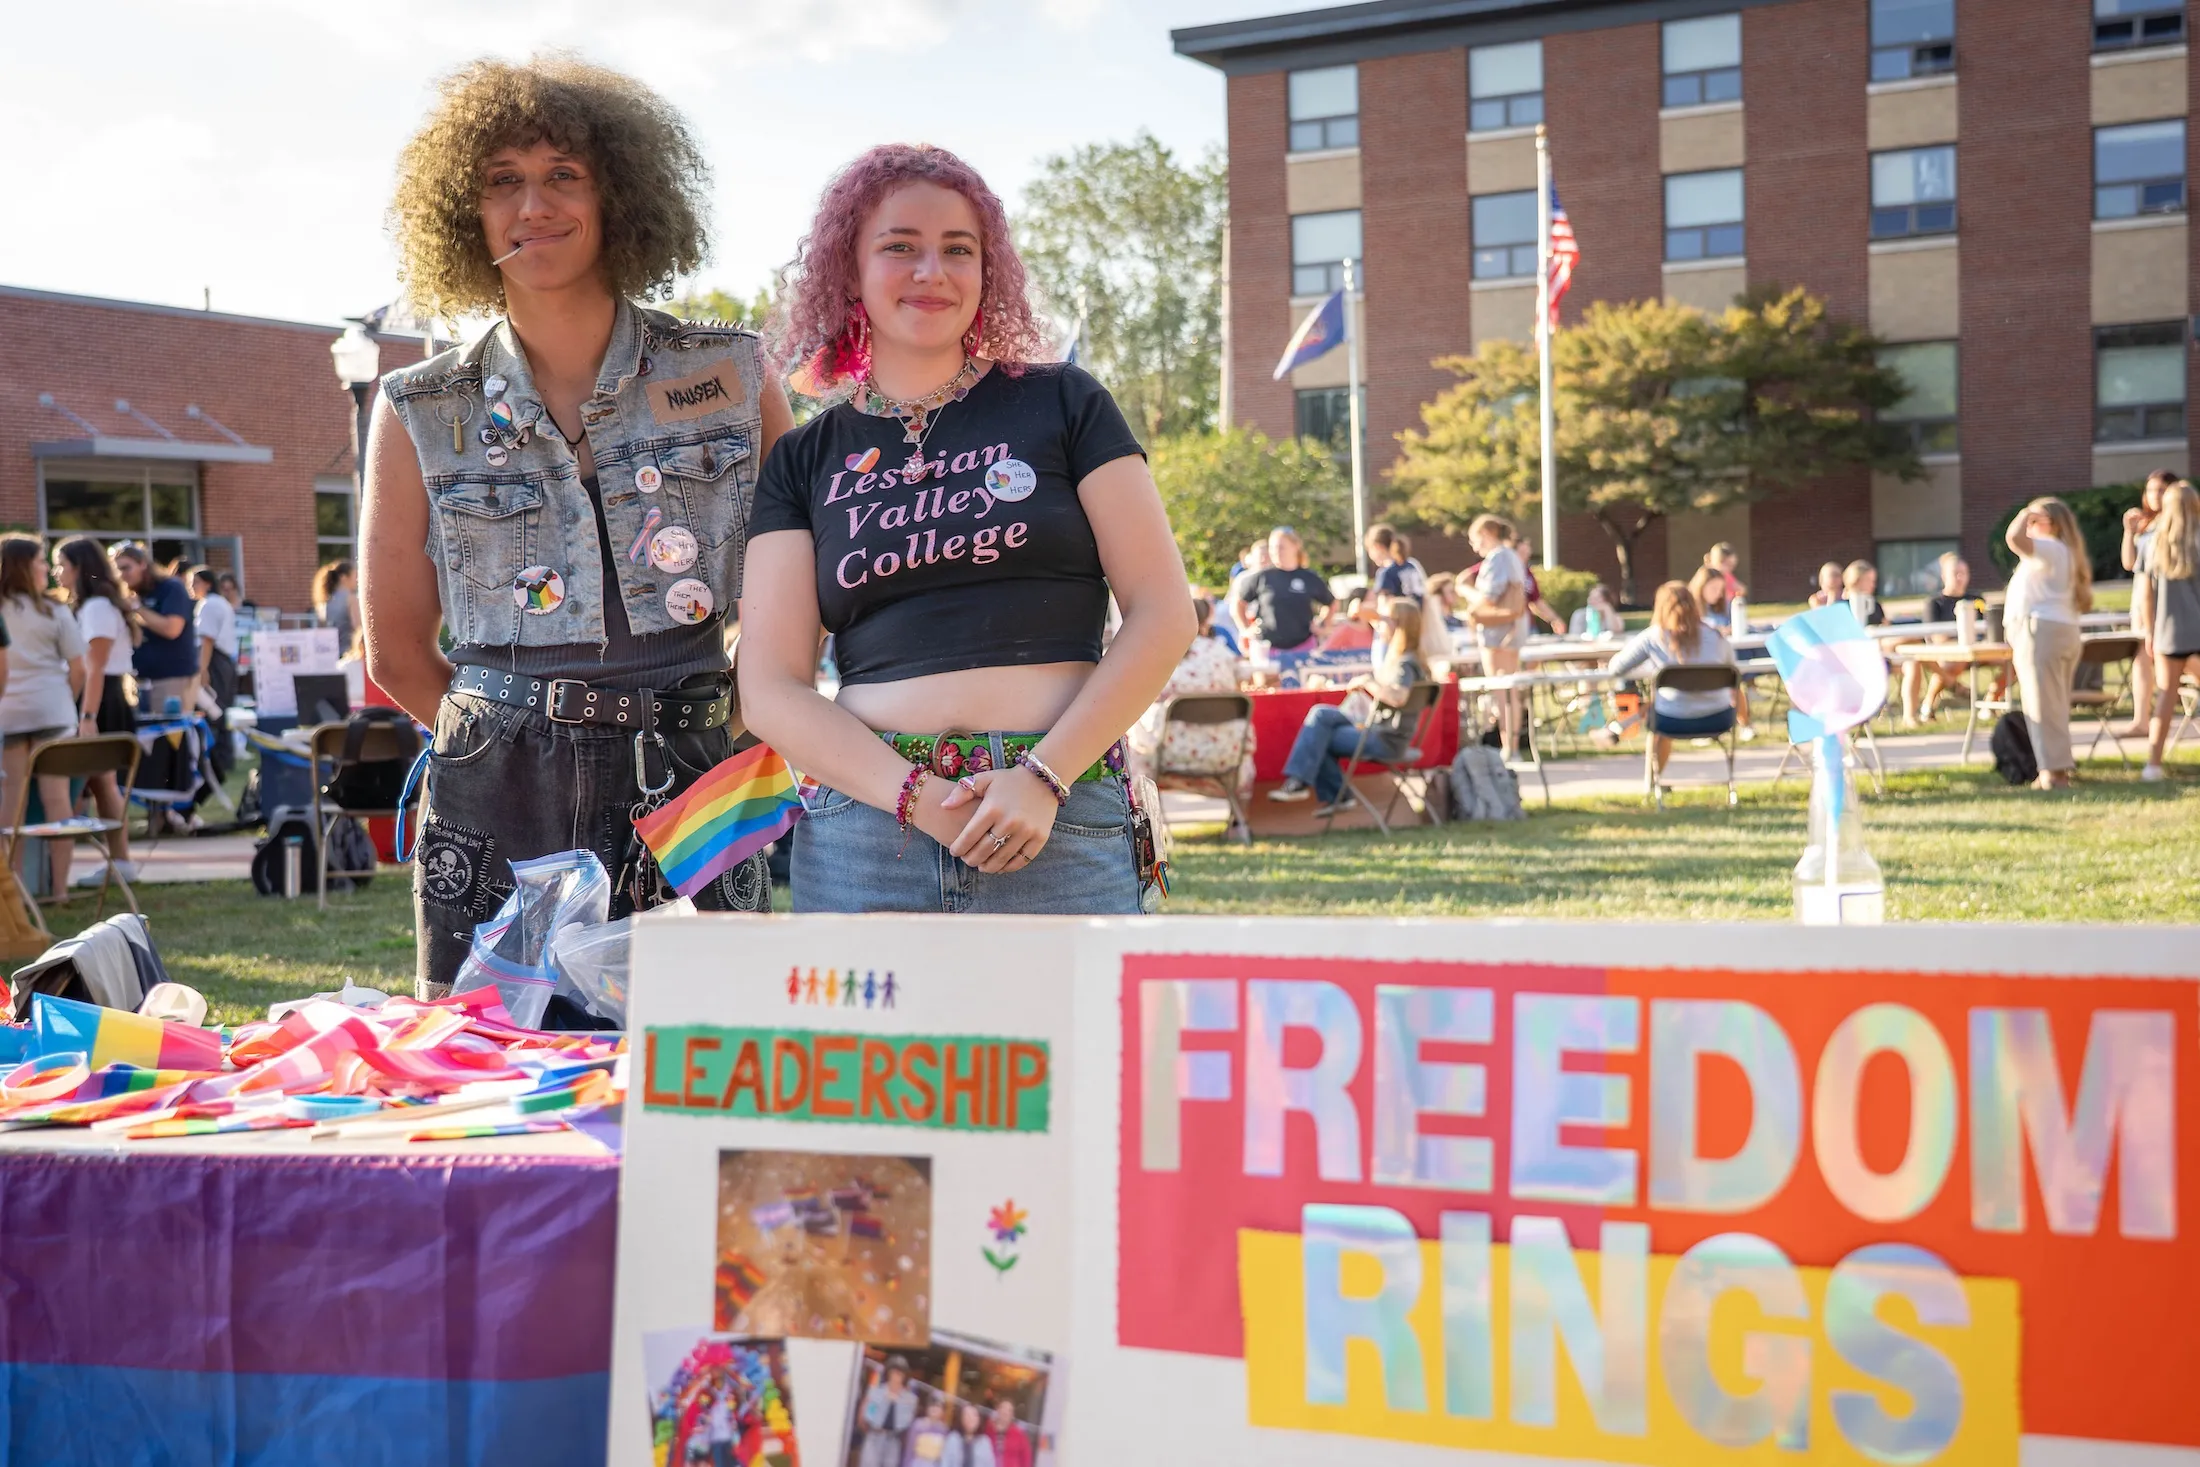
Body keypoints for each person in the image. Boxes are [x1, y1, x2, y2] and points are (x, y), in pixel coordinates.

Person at [363, 56, 777, 997]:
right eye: (502, 181)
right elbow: (392, 649)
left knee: (708, 1052)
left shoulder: (734, 373)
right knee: (494, 1077)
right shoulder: (419, 406)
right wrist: (507, 739)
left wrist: (729, 732)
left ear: (620, 193)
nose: (532, 205)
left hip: (697, 762)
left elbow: (799, 604)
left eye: (563, 175)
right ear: (465, 213)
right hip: (492, 783)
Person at [740, 143, 1192, 914]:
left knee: (1077, 1039)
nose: (932, 271)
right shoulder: (804, 458)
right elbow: (770, 688)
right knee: (871, 1044)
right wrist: (919, 799)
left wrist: (1044, 777)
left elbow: (1163, 615)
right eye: (900, 247)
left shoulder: (1066, 402)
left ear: (989, 270)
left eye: (959, 249)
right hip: (867, 830)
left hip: (1060, 813)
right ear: (848, 271)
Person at [1270, 599, 1427, 809]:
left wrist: (1367, 682)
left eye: (1384, 620)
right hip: (1388, 733)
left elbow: (1398, 697)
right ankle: (1308, 786)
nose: (1378, 625)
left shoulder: (1405, 664)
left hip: (1386, 739)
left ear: (1398, 626)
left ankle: (1318, 789)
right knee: (1320, 715)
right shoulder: (1412, 659)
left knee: (1318, 734)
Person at [51, 537, 135, 885]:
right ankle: (119, 862)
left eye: (61, 565)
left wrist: (87, 718)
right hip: (94, 699)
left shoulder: (98, 607)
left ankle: (56, 875)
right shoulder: (87, 607)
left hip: (98, 701)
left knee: (76, 786)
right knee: (101, 786)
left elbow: (95, 667)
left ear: (80, 568)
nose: (57, 573)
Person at [1607, 579, 1739, 780]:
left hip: (1671, 721)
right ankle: (1733, 772)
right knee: (1659, 706)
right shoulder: (1716, 635)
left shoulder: (1654, 636)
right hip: (1719, 717)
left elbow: (1616, 668)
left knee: (1658, 712)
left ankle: (1654, 780)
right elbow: (1732, 669)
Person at [2004, 496, 2092, 790]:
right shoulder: (2062, 551)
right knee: (2054, 706)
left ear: (2051, 523)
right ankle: (2057, 770)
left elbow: (2013, 539)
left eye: (2035, 521)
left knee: (2042, 705)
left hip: (2043, 633)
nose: (2029, 525)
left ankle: (2052, 774)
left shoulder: (2051, 547)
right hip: (2060, 631)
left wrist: (2025, 511)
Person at [1130, 598, 1251, 800]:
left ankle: (1142, 822)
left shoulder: (1163, 654)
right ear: (1206, 620)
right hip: (1225, 753)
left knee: (1134, 742)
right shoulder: (1220, 652)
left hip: (1169, 755)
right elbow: (1244, 678)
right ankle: (1239, 824)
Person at [2139, 480, 2200, 781]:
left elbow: (2146, 594)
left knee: (2166, 695)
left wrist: (2150, 631)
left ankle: (2153, 764)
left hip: (2168, 632)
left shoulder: (2154, 542)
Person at [1462, 514, 1529, 757]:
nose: (1473, 545)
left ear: (1486, 534)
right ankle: (1511, 746)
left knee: (1501, 690)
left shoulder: (1498, 557)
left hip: (1497, 632)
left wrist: (1465, 590)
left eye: (1474, 539)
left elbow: (1488, 599)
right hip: (1511, 629)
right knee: (1510, 689)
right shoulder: (1511, 555)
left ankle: (1509, 748)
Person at [2122, 470, 2179, 737]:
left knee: (2177, 660)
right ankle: (2141, 719)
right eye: (2150, 490)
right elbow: (2130, 564)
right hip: (2142, 600)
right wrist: (2129, 532)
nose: (2154, 496)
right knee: (2142, 658)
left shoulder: (2177, 524)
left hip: (2166, 600)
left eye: (2161, 490)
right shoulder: (2146, 525)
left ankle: (2149, 720)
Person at [111, 542, 196, 717]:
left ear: (142, 563)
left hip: (171, 679)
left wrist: (138, 608)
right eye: (118, 570)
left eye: (126, 568)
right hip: (140, 680)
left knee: (170, 739)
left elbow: (172, 629)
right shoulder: (136, 593)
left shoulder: (171, 587)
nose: (122, 575)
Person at [1900, 552, 1980, 726]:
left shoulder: (1976, 600)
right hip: (1947, 654)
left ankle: (1990, 702)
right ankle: (1928, 705)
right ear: (1944, 576)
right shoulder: (1934, 603)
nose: (1960, 578)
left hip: (1980, 650)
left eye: (1963, 573)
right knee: (1955, 662)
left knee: (2016, 662)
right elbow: (1935, 636)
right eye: (1955, 573)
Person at [1234, 527, 1332, 654]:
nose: (1276, 552)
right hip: (1268, 647)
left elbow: (1332, 603)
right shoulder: (1263, 577)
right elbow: (1239, 603)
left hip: (1303, 646)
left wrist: (1323, 625)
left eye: (1281, 547)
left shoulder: (1308, 577)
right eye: (1273, 547)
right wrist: (1245, 629)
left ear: (1295, 547)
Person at [188, 566, 239, 779]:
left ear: (207, 583)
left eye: (195, 582)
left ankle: (217, 760)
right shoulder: (221, 603)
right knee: (222, 710)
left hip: (214, 660)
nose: (191, 587)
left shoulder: (208, 605)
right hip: (224, 660)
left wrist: (202, 669)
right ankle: (225, 758)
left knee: (214, 709)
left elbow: (207, 639)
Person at [859, 1357, 919, 1467]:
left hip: (893, 1439)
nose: (896, 1375)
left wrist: (898, 1400)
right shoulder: (876, 1392)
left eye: (900, 1373)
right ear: (888, 1373)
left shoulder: (910, 1399)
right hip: (875, 1436)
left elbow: (907, 1421)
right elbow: (868, 1413)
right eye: (894, 1371)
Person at [1514, 538, 1568, 634]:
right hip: (1506, 626)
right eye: (1523, 552)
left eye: (1528, 552)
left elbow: (1535, 601)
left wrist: (1554, 619)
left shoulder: (1527, 574)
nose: (1528, 554)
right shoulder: (1498, 569)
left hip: (1527, 625)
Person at [313, 559, 357, 659]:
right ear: (343, 577)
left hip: (329, 654)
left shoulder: (325, 601)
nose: (357, 580)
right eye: (355, 576)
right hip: (348, 653)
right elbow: (357, 627)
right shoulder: (351, 598)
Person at [940, 1401, 996, 1467]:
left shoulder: (984, 1441)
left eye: (974, 1415)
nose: (971, 1418)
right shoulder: (953, 1438)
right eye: (967, 1415)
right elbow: (945, 1462)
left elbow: (990, 1464)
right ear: (960, 1418)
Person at [902, 1398, 951, 1467]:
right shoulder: (917, 1425)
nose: (934, 1409)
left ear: (942, 1411)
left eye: (938, 1407)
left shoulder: (944, 1430)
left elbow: (944, 1455)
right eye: (932, 1406)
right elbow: (909, 1451)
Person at [1840, 559, 1885, 626]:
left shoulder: (1876, 606)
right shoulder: (1842, 607)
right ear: (1856, 580)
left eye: (1873, 581)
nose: (1873, 585)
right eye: (1868, 580)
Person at [987, 1403, 1032, 1467]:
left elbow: (1026, 1459)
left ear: (1012, 1415)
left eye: (1009, 1410)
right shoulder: (988, 1430)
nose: (1006, 1412)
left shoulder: (1019, 1434)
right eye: (1004, 1408)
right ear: (998, 1410)